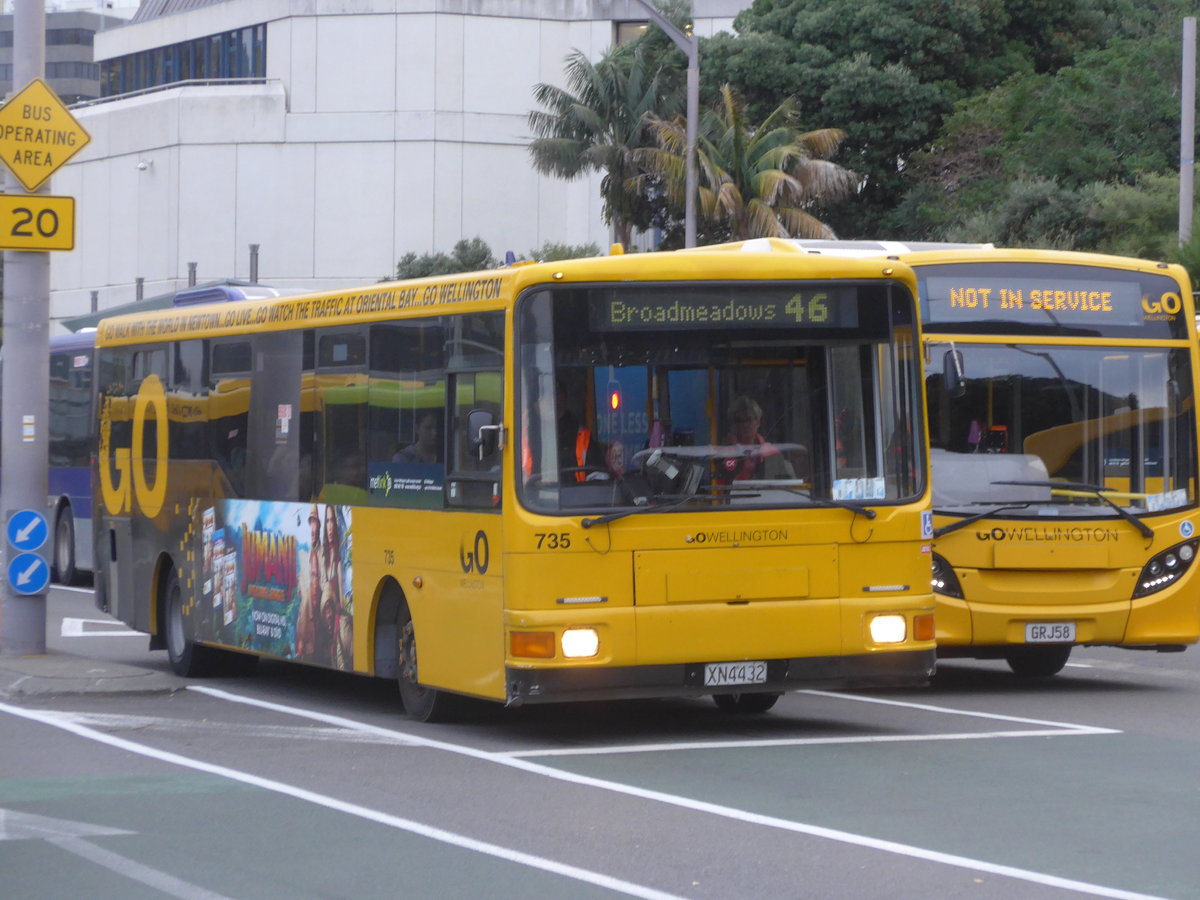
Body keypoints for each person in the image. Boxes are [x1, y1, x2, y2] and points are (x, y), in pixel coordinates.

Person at [719, 395, 796, 482]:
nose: (745, 425)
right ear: (734, 424)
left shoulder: (772, 453)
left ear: (758, 422)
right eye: (739, 421)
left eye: (749, 420)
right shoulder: (723, 452)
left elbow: (788, 485)